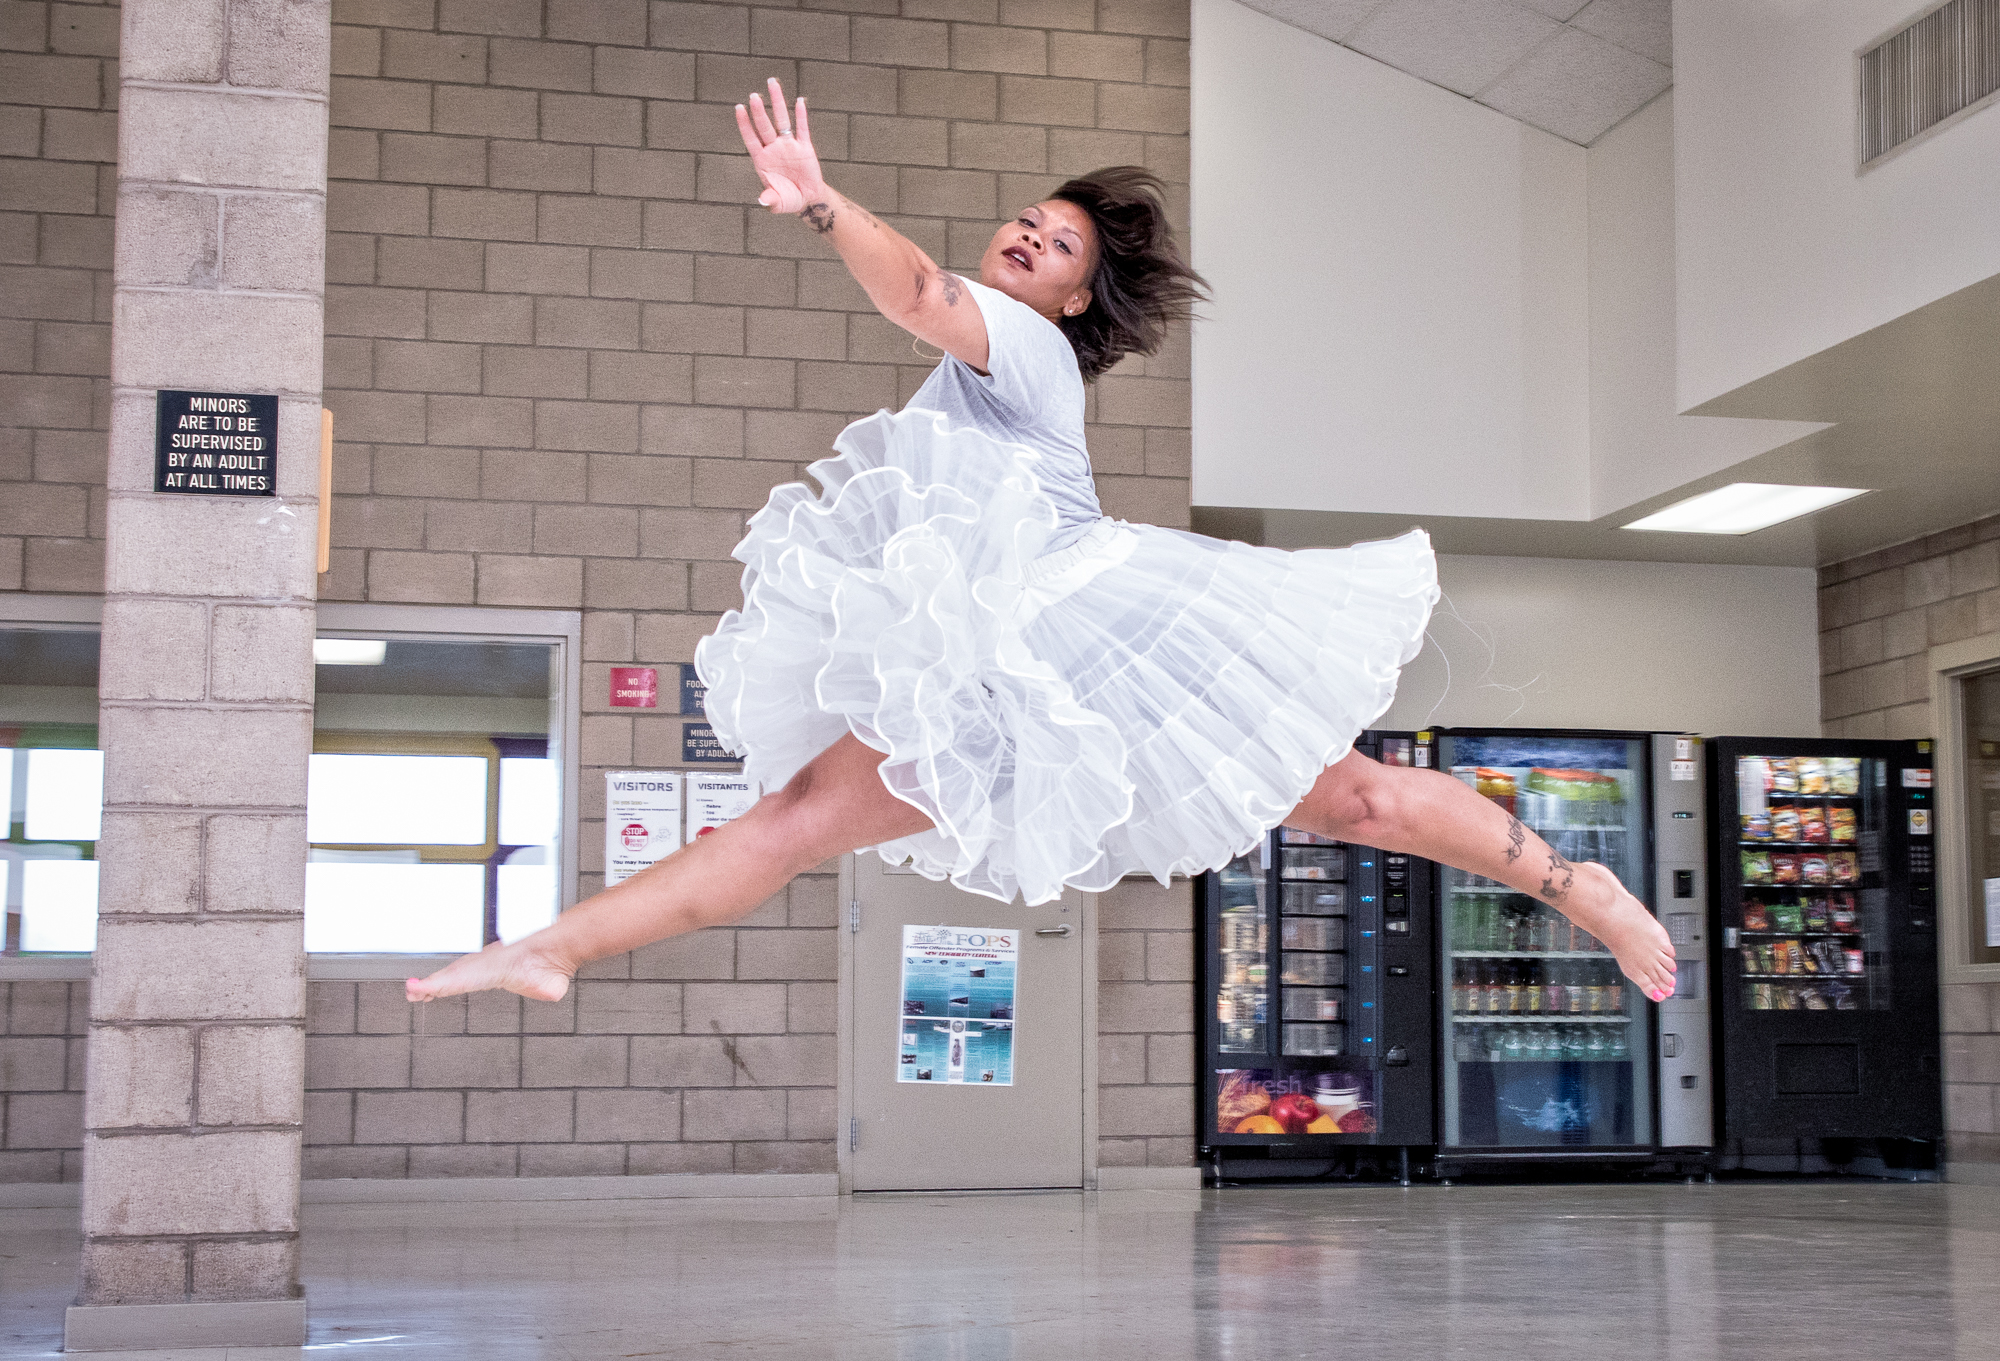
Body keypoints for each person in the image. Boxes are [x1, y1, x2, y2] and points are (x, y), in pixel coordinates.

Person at [410, 79, 1676, 1008]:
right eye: (1023, 218)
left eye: (1057, 242)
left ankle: (1582, 889)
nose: (1026, 235)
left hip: (1096, 632)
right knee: (790, 817)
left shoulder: (1022, 345)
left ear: (1075, 299)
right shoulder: (989, 362)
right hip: (1005, 665)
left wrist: (817, 200)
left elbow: (913, 288)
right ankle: (554, 944)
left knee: (1356, 795)